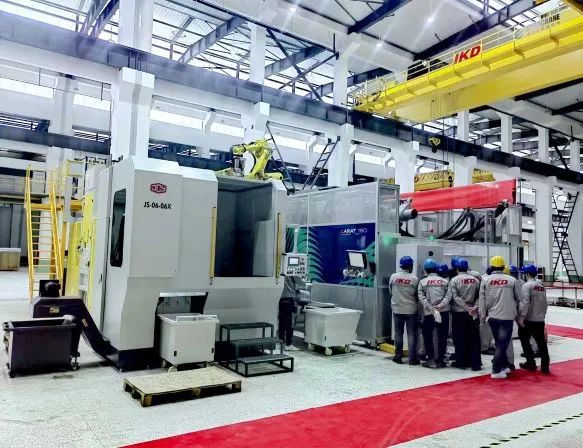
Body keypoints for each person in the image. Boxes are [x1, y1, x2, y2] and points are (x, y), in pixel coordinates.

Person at [478, 256, 524, 379]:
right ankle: (496, 370)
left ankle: (503, 366)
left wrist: (482, 317)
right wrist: (520, 316)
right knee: (502, 344)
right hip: (507, 317)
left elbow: (482, 301)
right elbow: (520, 299)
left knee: (500, 343)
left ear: (491, 267)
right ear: (504, 267)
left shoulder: (485, 280)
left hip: (492, 317)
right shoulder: (512, 280)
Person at [442, 257, 482, 371]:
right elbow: (480, 296)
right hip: (473, 314)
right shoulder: (475, 280)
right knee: (474, 338)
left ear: (457, 269)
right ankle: (475, 363)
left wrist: (466, 308)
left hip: (459, 313)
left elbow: (455, 297)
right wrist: (474, 307)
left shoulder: (454, 280)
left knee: (459, 338)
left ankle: (461, 362)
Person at [518, 264, 550, 374]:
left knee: (524, 340)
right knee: (542, 343)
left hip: (529, 319)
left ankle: (530, 363)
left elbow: (525, 303)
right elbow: (545, 303)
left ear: (527, 274)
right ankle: (545, 367)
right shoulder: (541, 286)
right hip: (540, 320)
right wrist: (542, 316)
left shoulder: (526, 286)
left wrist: (521, 317)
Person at [418, 259, 450, 368]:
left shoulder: (422, 282)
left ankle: (431, 360)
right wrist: (441, 305)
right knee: (442, 337)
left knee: (428, 336)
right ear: (436, 269)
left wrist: (430, 307)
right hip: (443, 312)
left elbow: (421, 297)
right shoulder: (445, 282)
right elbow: (449, 296)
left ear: (425, 270)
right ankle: (440, 360)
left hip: (429, 313)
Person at [389, 256, 420, 365]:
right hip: (411, 310)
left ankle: (398, 356)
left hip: (397, 309)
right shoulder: (414, 279)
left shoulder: (393, 277)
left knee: (398, 333)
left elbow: (390, 292)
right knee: (411, 334)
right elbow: (417, 295)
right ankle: (412, 359)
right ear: (410, 266)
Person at [279, 275, 301, 350]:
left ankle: (281, 343)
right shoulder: (292, 273)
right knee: (290, 323)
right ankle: (288, 344)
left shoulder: (280, 272)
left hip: (280, 298)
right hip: (289, 299)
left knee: (282, 322)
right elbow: (301, 283)